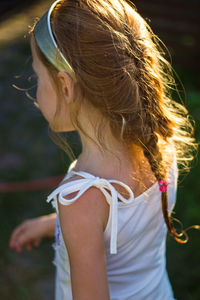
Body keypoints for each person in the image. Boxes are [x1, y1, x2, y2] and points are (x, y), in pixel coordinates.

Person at [9, 0, 198, 299]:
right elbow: (121, 226)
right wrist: (52, 224)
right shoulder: (159, 143)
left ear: (66, 86)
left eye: (37, 76)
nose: (35, 88)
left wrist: (69, 219)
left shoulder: (81, 199)